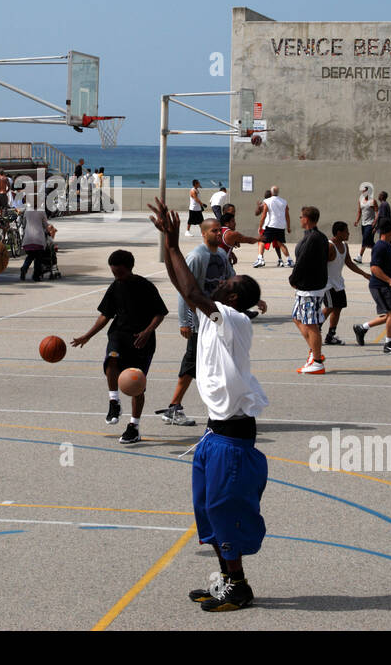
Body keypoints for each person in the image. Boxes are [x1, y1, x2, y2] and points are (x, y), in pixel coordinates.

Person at [148, 196, 268, 612]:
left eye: (226, 286)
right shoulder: (216, 315)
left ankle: (239, 587)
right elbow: (183, 286)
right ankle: (228, 580)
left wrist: (174, 242)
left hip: (233, 439)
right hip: (215, 434)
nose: (220, 284)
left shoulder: (232, 319)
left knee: (224, 511)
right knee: (208, 513)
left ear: (234, 300)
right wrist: (168, 244)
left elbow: (191, 289)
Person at [71, 249, 168, 443]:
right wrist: (87, 336)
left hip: (142, 341)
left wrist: (148, 331)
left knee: (136, 385)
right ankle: (114, 401)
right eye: (114, 273)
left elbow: (160, 313)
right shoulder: (115, 286)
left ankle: (134, 426)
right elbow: (105, 315)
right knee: (112, 359)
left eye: (120, 272)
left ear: (129, 268)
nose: (117, 276)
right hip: (119, 335)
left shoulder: (145, 286)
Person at [159, 218, 231, 427]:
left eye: (220, 230)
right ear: (204, 233)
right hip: (200, 321)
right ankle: (174, 408)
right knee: (192, 363)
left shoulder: (222, 255)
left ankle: (220, 409)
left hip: (217, 319)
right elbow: (184, 291)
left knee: (215, 363)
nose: (219, 234)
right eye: (215, 231)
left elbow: (231, 280)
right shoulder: (197, 257)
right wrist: (185, 322)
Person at [353, 219, 391, 354]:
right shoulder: (380, 246)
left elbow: (383, 268)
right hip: (380, 286)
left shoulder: (386, 245)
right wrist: (390, 281)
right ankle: (388, 344)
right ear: (389, 230)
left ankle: (362, 328)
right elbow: (374, 268)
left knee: (389, 315)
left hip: (384, 285)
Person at [289, 206, 329, 374]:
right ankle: (314, 350)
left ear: (307, 219)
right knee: (297, 318)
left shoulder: (314, 238)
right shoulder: (314, 236)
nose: (300, 219)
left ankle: (318, 362)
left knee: (311, 324)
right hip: (307, 287)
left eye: (301, 217)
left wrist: (293, 279)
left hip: (310, 288)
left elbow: (302, 261)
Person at [322, 221, 370, 346]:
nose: (348, 233)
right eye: (346, 231)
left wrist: (364, 274)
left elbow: (349, 263)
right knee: (329, 308)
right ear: (339, 232)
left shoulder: (344, 245)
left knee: (338, 308)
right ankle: (314, 329)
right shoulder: (329, 246)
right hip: (327, 284)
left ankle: (330, 336)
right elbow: (319, 265)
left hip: (338, 283)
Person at [253, 186, 291, 268]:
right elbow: (287, 215)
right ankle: (289, 260)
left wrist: (260, 226)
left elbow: (263, 215)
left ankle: (260, 259)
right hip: (280, 226)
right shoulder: (284, 201)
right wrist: (288, 226)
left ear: (271, 193)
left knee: (262, 242)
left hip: (270, 225)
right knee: (280, 244)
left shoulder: (267, 201)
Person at [19, 205, 55, 281]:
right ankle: (36, 275)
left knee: (30, 256)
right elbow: (45, 225)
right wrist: (51, 230)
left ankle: (24, 268)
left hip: (28, 238)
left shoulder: (27, 211)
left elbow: (24, 224)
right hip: (38, 238)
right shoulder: (41, 211)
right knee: (38, 258)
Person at [355, 182, 377, 263]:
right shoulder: (360, 201)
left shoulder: (373, 201)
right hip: (363, 224)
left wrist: (375, 222)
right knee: (369, 242)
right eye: (362, 191)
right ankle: (379, 252)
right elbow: (359, 212)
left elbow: (377, 212)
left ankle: (359, 256)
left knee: (365, 239)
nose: (363, 193)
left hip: (370, 223)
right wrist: (357, 221)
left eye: (364, 191)